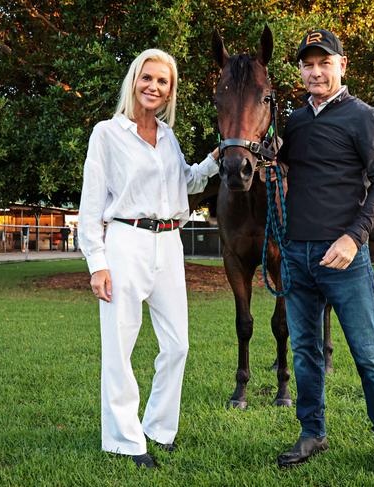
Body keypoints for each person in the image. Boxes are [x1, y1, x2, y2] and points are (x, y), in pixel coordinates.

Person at [78, 48, 219, 469]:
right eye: (148, 78)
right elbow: (90, 204)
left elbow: (186, 182)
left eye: (163, 82)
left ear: (170, 91)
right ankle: (125, 439)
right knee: (119, 347)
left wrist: (212, 162)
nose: (154, 87)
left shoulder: (168, 137)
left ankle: (159, 427)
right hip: (125, 242)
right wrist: (96, 263)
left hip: (169, 244)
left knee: (178, 343)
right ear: (134, 81)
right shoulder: (107, 134)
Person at [275, 29, 374, 479]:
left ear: (342, 66)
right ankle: (312, 432)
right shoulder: (293, 121)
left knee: (367, 353)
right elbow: (280, 168)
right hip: (297, 255)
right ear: (300, 70)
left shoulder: (364, 117)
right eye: (307, 64)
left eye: (323, 63)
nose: (315, 71)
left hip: (345, 258)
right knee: (305, 353)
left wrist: (353, 238)